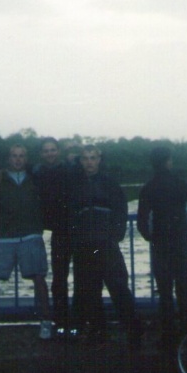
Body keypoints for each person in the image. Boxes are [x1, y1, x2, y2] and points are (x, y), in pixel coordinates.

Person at [0, 144, 53, 340]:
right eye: (14, 156)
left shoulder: (36, 178)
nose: (18, 159)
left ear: (27, 159)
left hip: (30, 236)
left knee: (38, 277)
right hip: (5, 237)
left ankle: (46, 321)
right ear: (8, 159)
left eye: (22, 156)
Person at [70, 145, 143, 349]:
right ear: (81, 161)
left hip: (106, 244)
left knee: (118, 287)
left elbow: (121, 210)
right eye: (85, 158)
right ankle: (98, 331)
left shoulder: (110, 183)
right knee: (90, 290)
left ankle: (134, 330)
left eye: (93, 158)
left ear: (99, 160)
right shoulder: (75, 185)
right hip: (84, 245)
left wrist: (116, 235)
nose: (89, 162)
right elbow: (70, 214)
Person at [136, 145, 187, 348]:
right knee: (186, 290)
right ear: (168, 161)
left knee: (165, 292)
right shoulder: (182, 185)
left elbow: (143, 222)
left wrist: (152, 236)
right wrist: (183, 230)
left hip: (160, 246)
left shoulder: (148, 188)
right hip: (181, 243)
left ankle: (168, 337)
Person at [32, 137, 79, 337]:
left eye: (53, 150)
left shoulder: (70, 169)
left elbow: (99, 163)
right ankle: (61, 321)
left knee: (83, 277)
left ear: (58, 151)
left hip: (77, 229)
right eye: (46, 150)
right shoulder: (36, 172)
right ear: (41, 154)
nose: (50, 153)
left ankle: (78, 321)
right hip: (59, 232)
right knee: (59, 279)